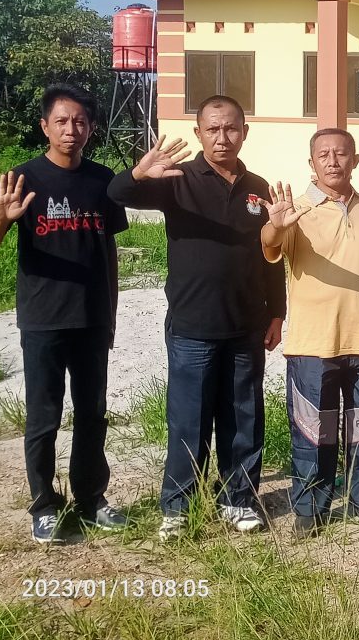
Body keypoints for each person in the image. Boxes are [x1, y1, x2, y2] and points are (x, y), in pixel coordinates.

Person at [108, 95, 285, 541]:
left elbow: (270, 255)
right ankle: (178, 507)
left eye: (231, 129)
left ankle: (237, 500)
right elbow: (116, 195)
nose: (222, 137)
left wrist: (277, 312)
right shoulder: (177, 179)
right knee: (189, 419)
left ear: (244, 132)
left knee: (243, 415)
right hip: (192, 326)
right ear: (199, 133)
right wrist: (136, 173)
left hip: (246, 324)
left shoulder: (258, 187)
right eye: (213, 129)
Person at [0, 84, 129, 544]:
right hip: (43, 319)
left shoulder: (104, 181)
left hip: (91, 319)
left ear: (91, 127)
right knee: (44, 417)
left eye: (80, 121)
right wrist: (2, 217)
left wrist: (110, 313)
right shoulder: (21, 179)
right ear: (45, 126)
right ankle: (44, 504)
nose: (72, 129)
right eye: (62, 121)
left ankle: (90, 498)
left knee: (92, 413)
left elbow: (110, 253)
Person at [260, 128, 359, 537]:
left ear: (355, 160)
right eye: (323, 154)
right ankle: (311, 508)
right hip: (313, 344)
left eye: (341, 153)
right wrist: (275, 225)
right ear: (312, 163)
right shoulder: (295, 211)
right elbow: (271, 246)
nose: (333, 160)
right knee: (314, 431)